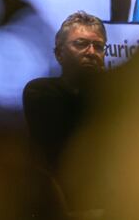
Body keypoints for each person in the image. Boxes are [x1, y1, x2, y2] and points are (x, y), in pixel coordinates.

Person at [23, 11, 107, 218]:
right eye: (80, 44)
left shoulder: (116, 96)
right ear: (59, 54)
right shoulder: (40, 92)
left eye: (98, 47)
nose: (91, 52)